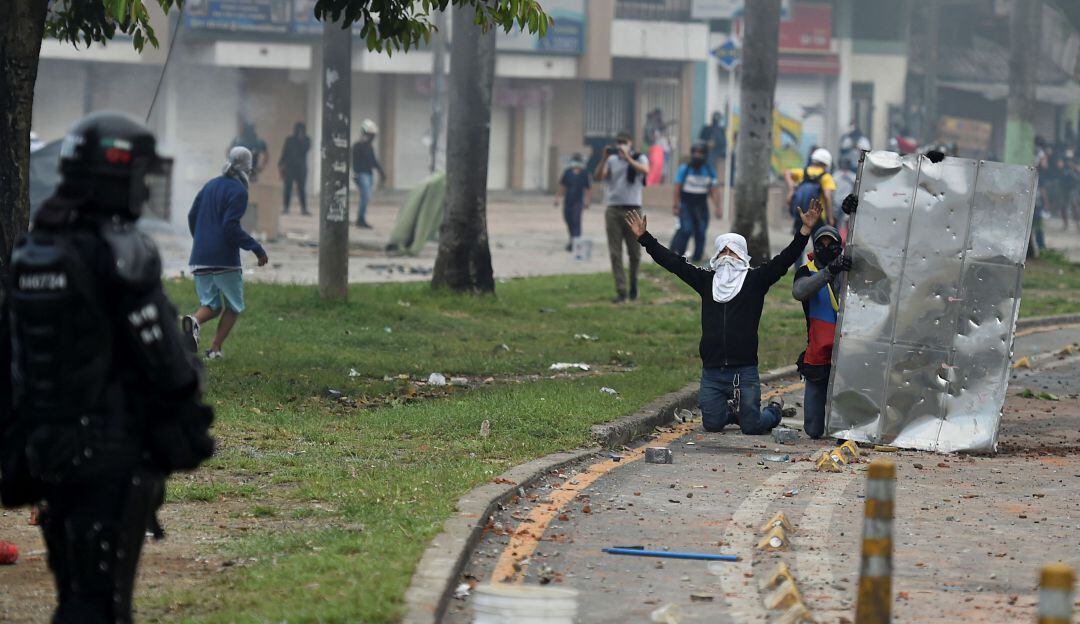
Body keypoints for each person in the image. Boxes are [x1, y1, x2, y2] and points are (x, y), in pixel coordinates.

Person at [0, 111, 215, 624]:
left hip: (45, 452)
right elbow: (166, 363)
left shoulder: (32, 253)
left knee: (74, 595)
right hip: (108, 456)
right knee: (102, 606)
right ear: (118, 176)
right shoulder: (120, 252)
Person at [626, 200, 823, 435]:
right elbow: (674, 264)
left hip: (745, 370)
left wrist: (804, 232)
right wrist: (644, 238)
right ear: (716, 255)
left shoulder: (755, 280)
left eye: (733, 251)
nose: (727, 256)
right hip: (712, 371)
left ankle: (773, 412)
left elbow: (785, 259)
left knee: (752, 427)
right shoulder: (706, 281)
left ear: (743, 255)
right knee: (712, 424)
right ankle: (732, 413)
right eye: (723, 251)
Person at [182, 146, 269, 360]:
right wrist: (257, 248)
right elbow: (230, 227)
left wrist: (201, 241)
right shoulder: (239, 191)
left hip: (200, 257)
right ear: (247, 170)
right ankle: (215, 349)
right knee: (234, 305)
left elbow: (192, 215)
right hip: (224, 260)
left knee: (211, 305)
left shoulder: (210, 185)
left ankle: (193, 321)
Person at [792, 224, 851, 439]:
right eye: (822, 244)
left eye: (832, 244)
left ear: (840, 245)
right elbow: (799, 292)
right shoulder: (806, 271)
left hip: (849, 352)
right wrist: (829, 271)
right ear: (815, 247)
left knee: (845, 429)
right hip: (819, 354)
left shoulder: (849, 268)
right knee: (813, 430)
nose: (827, 248)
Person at [595, 132, 650, 303]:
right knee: (615, 252)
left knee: (635, 253)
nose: (620, 146)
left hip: (633, 210)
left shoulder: (639, 158)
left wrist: (628, 158)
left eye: (623, 142)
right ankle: (621, 290)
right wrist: (604, 159)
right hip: (613, 210)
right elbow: (598, 177)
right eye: (617, 143)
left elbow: (645, 171)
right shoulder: (611, 161)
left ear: (630, 143)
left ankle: (633, 282)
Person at [670, 142, 720, 263]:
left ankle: (697, 258)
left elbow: (714, 190)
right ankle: (679, 256)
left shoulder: (709, 170)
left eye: (700, 153)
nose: (698, 156)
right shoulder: (685, 169)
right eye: (695, 153)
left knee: (701, 232)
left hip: (701, 206)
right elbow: (677, 188)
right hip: (686, 205)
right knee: (686, 229)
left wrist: (717, 207)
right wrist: (676, 205)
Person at [784, 148, 836, 237]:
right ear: (827, 163)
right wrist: (830, 218)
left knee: (798, 243)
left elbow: (787, 172)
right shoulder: (826, 177)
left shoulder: (803, 172)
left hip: (802, 214)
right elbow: (827, 197)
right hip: (817, 217)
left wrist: (791, 189)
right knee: (818, 244)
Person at [352, 119, 386, 229]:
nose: (372, 138)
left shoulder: (370, 147)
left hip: (369, 175)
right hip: (361, 175)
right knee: (366, 196)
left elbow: (373, 161)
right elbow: (353, 162)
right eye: (370, 135)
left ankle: (361, 218)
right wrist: (356, 173)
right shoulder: (357, 146)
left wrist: (381, 172)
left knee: (366, 197)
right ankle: (360, 219)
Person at [554, 153, 592, 251]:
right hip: (568, 201)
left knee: (576, 220)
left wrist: (587, 201)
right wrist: (558, 198)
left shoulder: (584, 173)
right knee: (568, 220)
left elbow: (588, 189)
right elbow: (563, 186)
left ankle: (575, 242)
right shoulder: (567, 172)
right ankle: (572, 239)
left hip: (578, 201)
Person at [279, 121, 311, 215]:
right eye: (298, 129)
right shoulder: (289, 139)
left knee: (301, 189)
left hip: (301, 168)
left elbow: (306, 149)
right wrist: (280, 163)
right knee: (287, 188)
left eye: (301, 130)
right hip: (289, 167)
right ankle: (286, 208)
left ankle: (304, 209)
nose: (299, 131)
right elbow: (284, 152)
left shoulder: (307, 140)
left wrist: (301, 139)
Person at [699, 112, 727, 176]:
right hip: (706, 151)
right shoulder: (706, 129)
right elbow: (700, 141)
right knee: (709, 159)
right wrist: (707, 143)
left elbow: (724, 143)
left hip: (718, 151)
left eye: (718, 119)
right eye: (715, 118)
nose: (716, 121)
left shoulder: (721, 130)